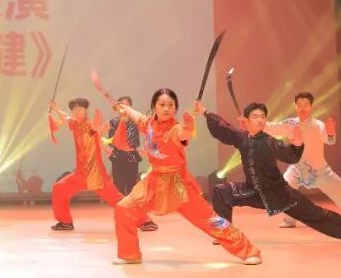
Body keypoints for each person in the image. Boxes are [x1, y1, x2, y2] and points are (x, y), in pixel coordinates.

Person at [112, 89, 261, 265]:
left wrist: (189, 127)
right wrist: (125, 108)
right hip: (153, 182)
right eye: (162, 104)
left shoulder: (176, 129)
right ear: (154, 107)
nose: (166, 109)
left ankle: (249, 251)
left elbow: (185, 134)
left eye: (170, 105)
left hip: (177, 184)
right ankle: (130, 254)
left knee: (211, 220)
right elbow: (137, 116)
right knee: (124, 208)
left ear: (175, 109)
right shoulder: (149, 124)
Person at [198, 100, 341, 245]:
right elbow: (224, 128)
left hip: (279, 194)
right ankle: (224, 232)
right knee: (221, 191)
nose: (260, 120)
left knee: (315, 214)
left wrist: (297, 145)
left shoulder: (269, 141)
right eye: (255, 117)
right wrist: (205, 112)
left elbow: (289, 155)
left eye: (263, 116)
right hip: (253, 191)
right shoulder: (242, 137)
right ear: (246, 120)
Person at [264, 92, 341, 228]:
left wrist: (331, 133)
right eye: (299, 104)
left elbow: (330, 140)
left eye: (306, 105)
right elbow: (272, 127)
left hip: (319, 169)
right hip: (297, 168)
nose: (302, 108)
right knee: (285, 188)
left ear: (311, 106)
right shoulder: (290, 123)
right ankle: (289, 219)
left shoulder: (318, 125)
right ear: (295, 106)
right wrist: (254, 123)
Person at [47, 97, 126, 232]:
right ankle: (65, 222)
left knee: (117, 199)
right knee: (59, 189)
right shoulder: (74, 123)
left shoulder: (89, 125)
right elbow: (66, 117)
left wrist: (97, 124)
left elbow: (94, 128)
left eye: (80, 109)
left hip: (96, 174)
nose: (77, 111)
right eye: (74, 109)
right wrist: (56, 109)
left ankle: (143, 220)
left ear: (86, 111)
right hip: (81, 173)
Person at [106, 95, 157, 232]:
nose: (124, 108)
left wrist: (147, 148)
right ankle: (121, 215)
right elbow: (106, 137)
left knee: (133, 189)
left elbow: (149, 133)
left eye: (127, 105)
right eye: (122, 105)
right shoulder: (113, 122)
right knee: (118, 187)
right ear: (117, 107)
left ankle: (138, 217)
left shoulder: (136, 122)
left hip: (132, 157)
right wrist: (107, 148)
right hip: (118, 156)